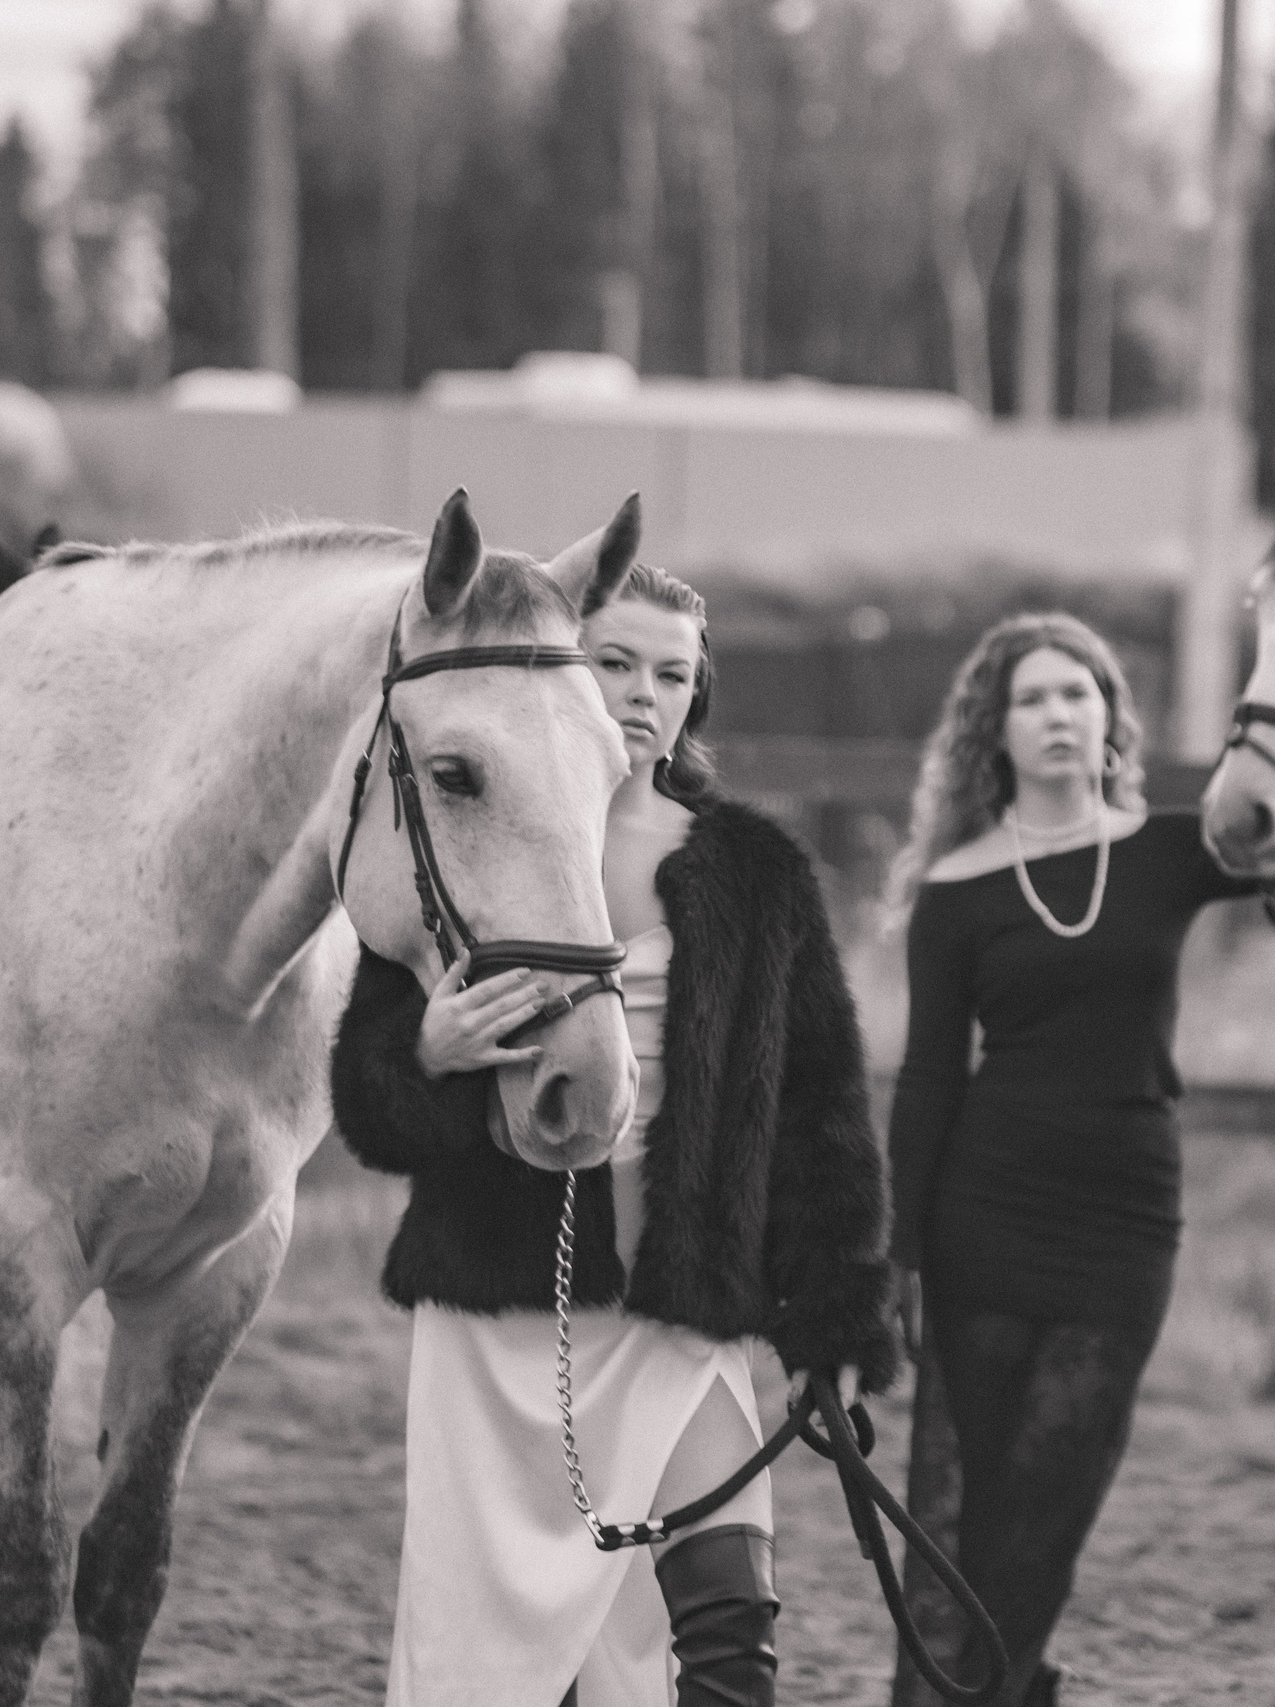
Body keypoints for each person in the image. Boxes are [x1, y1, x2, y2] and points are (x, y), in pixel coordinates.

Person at [332, 560, 899, 1707]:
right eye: (617, 662)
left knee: (730, 1630)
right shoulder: (475, 845)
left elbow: (821, 1113)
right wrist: (427, 1055)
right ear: (563, 671)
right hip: (506, 1321)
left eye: (674, 675)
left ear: (698, 695)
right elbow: (367, 1105)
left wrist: (832, 1323)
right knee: (507, 1660)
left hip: (684, 1307)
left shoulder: (757, 872)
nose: (646, 694)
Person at [882, 613, 1275, 1707]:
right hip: (982, 1218)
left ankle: (995, 1688)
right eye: (1032, 699)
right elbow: (931, 1076)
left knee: (1053, 1495)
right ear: (995, 731)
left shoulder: (1170, 849)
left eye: (1076, 693)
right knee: (967, 1502)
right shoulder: (954, 891)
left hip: (1122, 1223)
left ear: (1109, 719)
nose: (1057, 715)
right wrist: (898, 1252)